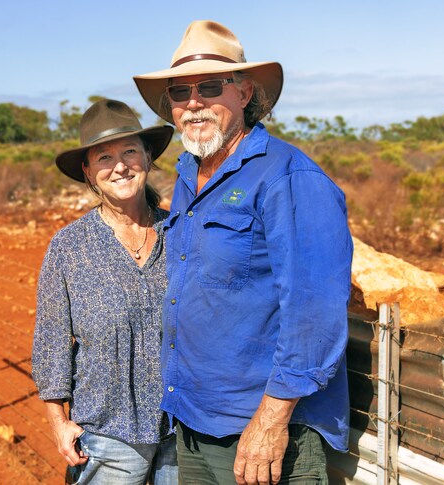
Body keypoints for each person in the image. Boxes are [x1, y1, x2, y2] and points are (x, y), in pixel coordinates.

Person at [133, 21, 353, 484]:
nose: (193, 103)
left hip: (262, 433)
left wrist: (270, 424)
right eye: (179, 93)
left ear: (245, 92)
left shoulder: (288, 177)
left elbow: (314, 312)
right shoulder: (190, 172)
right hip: (195, 418)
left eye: (210, 87)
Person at [32, 99, 178, 485]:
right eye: (104, 157)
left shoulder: (180, 232)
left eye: (130, 151)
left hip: (182, 431)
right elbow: (51, 343)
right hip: (107, 436)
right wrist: (59, 422)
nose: (120, 166)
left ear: (147, 157)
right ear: (88, 171)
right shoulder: (69, 248)